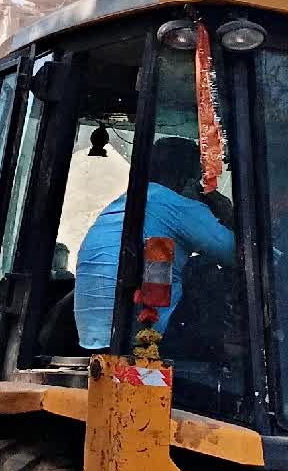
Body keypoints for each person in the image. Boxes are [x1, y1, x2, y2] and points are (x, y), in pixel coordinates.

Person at [73, 137, 236, 350]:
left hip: (91, 339)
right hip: (139, 338)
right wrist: (227, 213)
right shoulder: (177, 205)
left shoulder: (126, 202)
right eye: (197, 180)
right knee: (205, 271)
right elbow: (237, 255)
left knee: (170, 260)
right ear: (185, 179)